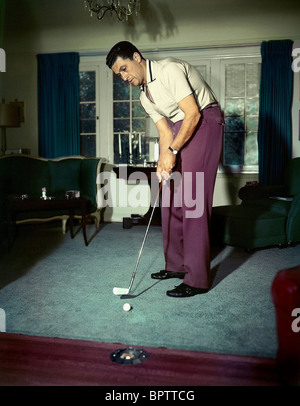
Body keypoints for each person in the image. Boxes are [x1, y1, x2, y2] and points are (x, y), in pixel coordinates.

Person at [106, 41, 224, 298]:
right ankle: (176, 265)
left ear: (137, 57)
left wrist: (173, 152)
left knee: (192, 199)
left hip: (204, 121)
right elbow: (164, 131)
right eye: (119, 74)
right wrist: (163, 160)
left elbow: (192, 114)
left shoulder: (169, 69)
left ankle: (198, 279)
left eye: (124, 68)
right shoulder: (144, 96)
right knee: (169, 194)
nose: (124, 76)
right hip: (179, 127)